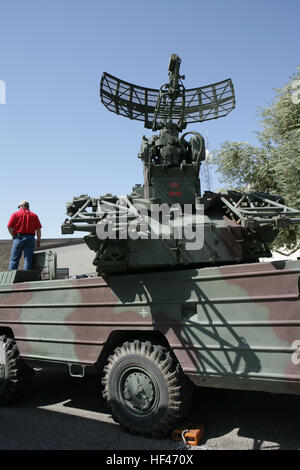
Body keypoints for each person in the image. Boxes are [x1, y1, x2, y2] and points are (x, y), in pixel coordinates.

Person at [7, 200, 42, 270]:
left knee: (14, 259)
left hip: (18, 238)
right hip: (30, 238)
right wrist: (38, 241)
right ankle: (26, 278)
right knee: (28, 260)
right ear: (28, 207)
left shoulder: (15, 214)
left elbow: (9, 226)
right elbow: (38, 230)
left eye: (19, 207)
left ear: (22, 206)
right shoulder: (34, 215)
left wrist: (13, 235)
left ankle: (12, 278)